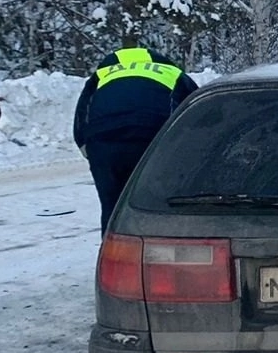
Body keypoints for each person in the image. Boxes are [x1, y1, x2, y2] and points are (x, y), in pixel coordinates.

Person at [73, 44, 198, 229]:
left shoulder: (101, 75)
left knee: (112, 207)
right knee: (157, 203)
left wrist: (90, 150)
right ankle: (157, 248)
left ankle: (114, 251)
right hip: (154, 136)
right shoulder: (172, 73)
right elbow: (198, 111)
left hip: (103, 141)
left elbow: (81, 115)